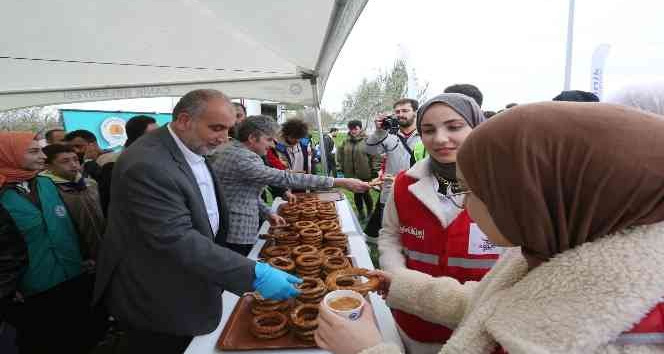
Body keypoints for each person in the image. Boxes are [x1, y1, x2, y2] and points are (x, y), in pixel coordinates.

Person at [315, 102, 664, 354]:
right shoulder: (543, 255)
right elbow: (492, 306)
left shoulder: (627, 337)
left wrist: (368, 351)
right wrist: (403, 284)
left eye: (474, 191)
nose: (465, 205)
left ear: (536, 197)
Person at [93, 89, 302, 353]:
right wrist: (253, 273)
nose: (223, 138)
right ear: (184, 120)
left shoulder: (188, 145)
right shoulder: (147, 163)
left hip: (194, 274)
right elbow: (175, 238)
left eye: (228, 129)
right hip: (160, 295)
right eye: (216, 128)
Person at [375, 94, 500, 354]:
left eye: (454, 127)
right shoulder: (404, 184)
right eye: (428, 130)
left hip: (482, 327)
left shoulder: (505, 187)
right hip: (415, 323)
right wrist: (398, 277)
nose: (440, 139)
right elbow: (389, 236)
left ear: (477, 127)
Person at [0, 132, 107, 353]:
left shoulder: (46, 183)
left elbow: (70, 224)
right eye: (33, 151)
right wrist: (7, 288)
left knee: (80, 335)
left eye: (40, 150)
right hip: (32, 287)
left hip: (72, 274)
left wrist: (84, 256)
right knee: (46, 341)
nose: (42, 156)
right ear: (7, 155)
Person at [210, 115, 370, 256]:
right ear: (252, 138)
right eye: (269, 139)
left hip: (236, 227)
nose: (273, 145)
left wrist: (267, 213)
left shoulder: (238, 153)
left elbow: (245, 194)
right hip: (236, 233)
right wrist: (339, 181)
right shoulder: (242, 158)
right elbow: (285, 178)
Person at [40, 144, 105, 265]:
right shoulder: (47, 191)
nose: (74, 164)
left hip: (104, 248)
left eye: (75, 159)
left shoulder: (90, 184)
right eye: (65, 161)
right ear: (47, 166)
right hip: (77, 258)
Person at [365, 98, 421, 238]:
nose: (400, 114)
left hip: (417, 192)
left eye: (405, 111)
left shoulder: (425, 135)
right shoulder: (388, 135)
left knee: (414, 232)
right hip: (390, 192)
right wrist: (378, 131)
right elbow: (370, 151)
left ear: (415, 112)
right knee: (390, 231)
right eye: (397, 112)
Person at [97, 115, 158, 215]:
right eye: (154, 134)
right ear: (139, 138)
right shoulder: (112, 164)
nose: (160, 138)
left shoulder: (159, 160)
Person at [337, 120, 379, 221]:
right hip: (351, 173)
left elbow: (375, 156)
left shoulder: (368, 140)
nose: (353, 131)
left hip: (365, 173)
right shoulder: (345, 141)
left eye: (355, 128)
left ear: (360, 128)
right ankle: (361, 213)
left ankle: (370, 212)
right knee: (357, 194)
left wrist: (375, 170)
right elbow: (340, 156)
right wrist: (340, 167)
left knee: (365, 193)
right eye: (351, 129)